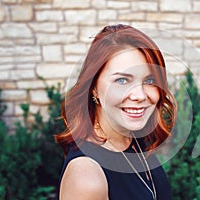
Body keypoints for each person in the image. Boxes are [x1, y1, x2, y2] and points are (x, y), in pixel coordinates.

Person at [55, 24, 177, 200]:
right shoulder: (87, 177)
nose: (140, 95)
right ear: (93, 87)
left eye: (149, 80)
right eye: (122, 80)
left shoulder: (133, 139)